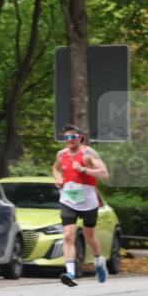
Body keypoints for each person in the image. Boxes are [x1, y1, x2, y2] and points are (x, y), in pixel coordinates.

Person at [52, 123, 110, 287]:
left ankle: (99, 262)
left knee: (89, 237)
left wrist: (84, 170)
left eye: (72, 137)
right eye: (66, 137)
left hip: (88, 201)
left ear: (80, 138)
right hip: (68, 200)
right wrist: (58, 178)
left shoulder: (88, 153)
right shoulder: (61, 154)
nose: (69, 140)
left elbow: (104, 173)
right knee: (68, 236)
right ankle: (70, 273)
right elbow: (55, 169)